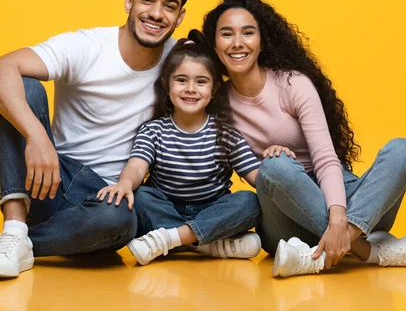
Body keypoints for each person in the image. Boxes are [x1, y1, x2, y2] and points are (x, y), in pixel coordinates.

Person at [0, 0, 190, 278]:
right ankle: (15, 226)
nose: (156, 14)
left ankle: (0, 243)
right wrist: (37, 136)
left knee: (121, 222)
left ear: (180, 16)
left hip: (109, 201)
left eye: (169, 6)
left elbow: (232, 71)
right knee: (25, 87)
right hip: (50, 180)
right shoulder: (87, 47)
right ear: (130, 2)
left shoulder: (181, 62)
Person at [201, 0, 406, 278]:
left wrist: (339, 217)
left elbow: (326, 159)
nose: (237, 43)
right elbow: (248, 173)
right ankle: (369, 251)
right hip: (283, 217)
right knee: (275, 167)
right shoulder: (215, 104)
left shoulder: (292, 84)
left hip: (341, 196)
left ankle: (328, 249)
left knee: (403, 150)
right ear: (214, 45)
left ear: (262, 41)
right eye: (226, 34)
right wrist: (274, 170)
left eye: (248, 33)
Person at [96, 31, 274, 265]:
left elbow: (256, 178)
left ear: (214, 89)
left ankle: (174, 239)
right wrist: (125, 183)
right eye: (181, 80)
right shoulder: (153, 131)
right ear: (166, 86)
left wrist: (278, 168)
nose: (191, 89)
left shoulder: (225, 134)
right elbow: (136, 167)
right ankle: (204, 244)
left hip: (212, 210)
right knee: (139, 197)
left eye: (201, 82)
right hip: (166, 208)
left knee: (249, 202)